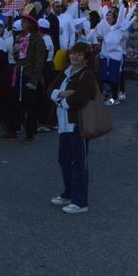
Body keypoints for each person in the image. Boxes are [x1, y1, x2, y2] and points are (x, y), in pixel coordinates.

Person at [49, 41, 98, 214]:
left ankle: (80, 201)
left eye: (79, 54)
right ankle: (68, 193)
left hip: (78, 124)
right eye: (73, 53)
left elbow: (81, 98)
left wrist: (60, 101)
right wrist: (62, 94)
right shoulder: (66, 73)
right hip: (64, 124)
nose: (75, 56)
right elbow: (50, 89)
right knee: (64, 160)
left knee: (79, 163)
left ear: (85, 58)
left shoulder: (87, 75)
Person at [91, 1, 135, 104]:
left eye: (111, 15)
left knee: (115, 77)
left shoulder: (119, 29)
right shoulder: (104, 26)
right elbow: (99, 38)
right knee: (104, 77)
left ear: (115, 18)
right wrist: (99, 42)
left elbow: (115, 41)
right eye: (107, 15)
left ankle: (116, 97)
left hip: (116, 56)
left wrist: (104, 39)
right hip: (105, 56)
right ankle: (106, 95)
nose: (108, 17)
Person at [16, 14, 49, 144]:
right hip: (21, 74)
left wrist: (34, 81)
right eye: (22, 22)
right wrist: (15, 51)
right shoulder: (23, 38)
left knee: (30, 107)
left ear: (30, 24)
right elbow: (20, 57)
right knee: (23, 104)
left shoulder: (38, 40)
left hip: (31, 77)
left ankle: (30, 134)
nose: (22, 24)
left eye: (24, 22)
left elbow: (39, 62)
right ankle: (27, 130)